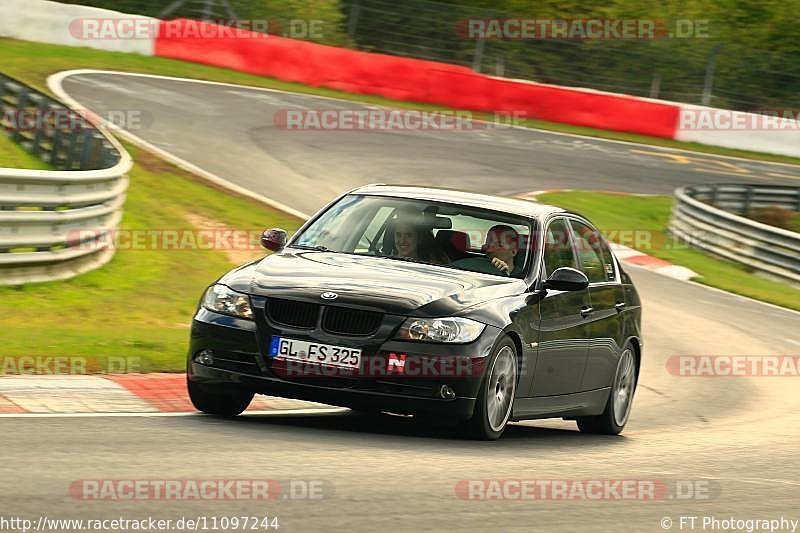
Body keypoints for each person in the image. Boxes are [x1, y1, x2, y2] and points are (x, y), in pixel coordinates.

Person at [451, 225, 524, 277]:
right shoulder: (474, 265)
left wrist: (506, 274)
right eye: (488, 244)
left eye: (498, 245)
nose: (489, 250)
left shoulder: (524, 278)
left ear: (513, 252)